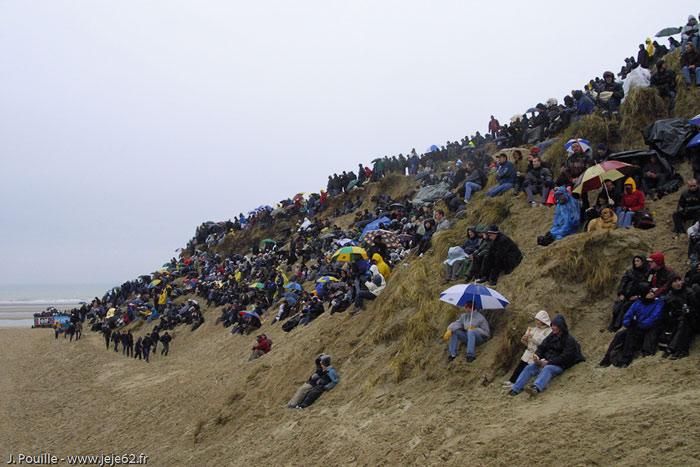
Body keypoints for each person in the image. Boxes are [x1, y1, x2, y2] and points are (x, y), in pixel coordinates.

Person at [509, 314, 584, 396]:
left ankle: (536, 388)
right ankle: (515, 389)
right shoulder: (551, 336)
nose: (552, 327)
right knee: (529, 367)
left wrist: (548, 362)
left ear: (561, 327)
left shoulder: (569, 340)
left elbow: (566, 357)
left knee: (548, 368)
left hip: (559, 365)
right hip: (545, 361)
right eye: (552, 325)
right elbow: (542, 347)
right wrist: (537, 356)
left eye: (555, 326)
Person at [600, 285, 664, 368]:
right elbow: (627, 316)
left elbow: (654, 317)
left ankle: (626, 359)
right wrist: (629, 323)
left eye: (652, 291)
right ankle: (606, 359)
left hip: (649, 330)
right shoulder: (638, 303)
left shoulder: (658, 303)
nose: (651, 294)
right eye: (648, 292)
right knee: (619, 335)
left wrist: (638, 324)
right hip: (636, 328)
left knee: (631, 333)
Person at [505, 310, 552, 388]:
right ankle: (512, 380)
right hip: (529, 352)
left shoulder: (548, 331)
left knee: (527, 368)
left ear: (543, 321)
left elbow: (542, 343)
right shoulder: (534, 329)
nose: (536, 322)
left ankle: (518, 383)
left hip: (538, 353)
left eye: (538, 320)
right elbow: (528, 345)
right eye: (536, 320)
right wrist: (524, 340)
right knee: (521, 365)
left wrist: (532, 338)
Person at [660, 276, 698, 360]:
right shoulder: (670, 296)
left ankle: (673, 349)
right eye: (675, 281)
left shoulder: (689, 292)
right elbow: (665, 313)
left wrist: (689, 310)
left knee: (684, 323)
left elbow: (696, 308)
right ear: (671, 284)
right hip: (676, 320)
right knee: (680, 324)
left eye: (679, 280)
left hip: (691, 320)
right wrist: (673, 314)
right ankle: (679, 350)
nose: (678, 283)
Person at [609, 255, 648, 331]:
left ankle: (619, 325)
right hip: (626, 295)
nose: (635, 263)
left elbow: (646, 287)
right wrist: (621, 293)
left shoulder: (646, 273)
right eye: (635, 261)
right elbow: (623, 282)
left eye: (638, 261)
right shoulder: (630, 271)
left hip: (636, 297)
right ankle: (612, 325)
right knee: (617, 308)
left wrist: (638, 296)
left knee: (625, 307)